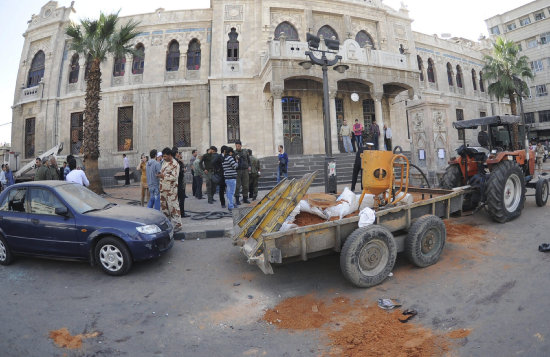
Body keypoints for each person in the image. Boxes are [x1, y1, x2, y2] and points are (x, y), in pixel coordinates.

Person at [157, 147, 182, 231]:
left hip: (171, 191)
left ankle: (178, 224)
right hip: (163, 189)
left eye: (165, 156)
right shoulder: (164, 162)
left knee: (173, 207)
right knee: (164, 208)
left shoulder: (175, 164)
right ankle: (167, 224)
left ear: (170, 155)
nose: (163, 158)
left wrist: (163, 176)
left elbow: (174, 177)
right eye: (163, 156)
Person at [174, 148, 190, 218]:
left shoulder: (175, 161)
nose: (179, 154)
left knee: (177, 199)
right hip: (178, 182)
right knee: (181, 198)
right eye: (178, 153)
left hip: (177, 182)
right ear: (176, 154)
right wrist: (183, 169)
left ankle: (177, 212)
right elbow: (179, 172)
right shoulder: (177, 162)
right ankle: (181, 213)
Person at [234, 140, 251, 205]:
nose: (237, 147)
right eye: (236, 146)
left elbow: (248, 160)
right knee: (237, 185)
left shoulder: (245, 151)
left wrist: (249, 166)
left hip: (245, 170)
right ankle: (237, 199)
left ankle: (245, 198)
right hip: (237, 170)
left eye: (238, 146)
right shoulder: (234, 152)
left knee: (246, 185)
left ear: (241, 145)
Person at [223, 147, 238, 211]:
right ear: (230, 152)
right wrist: (237, 161)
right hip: (231, 177)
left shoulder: (224, 158)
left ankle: (230, 205)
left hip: (227, 177)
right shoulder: (230, 158)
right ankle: (231, 206)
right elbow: (235, 166)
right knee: (231, 192)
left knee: (228, 192)